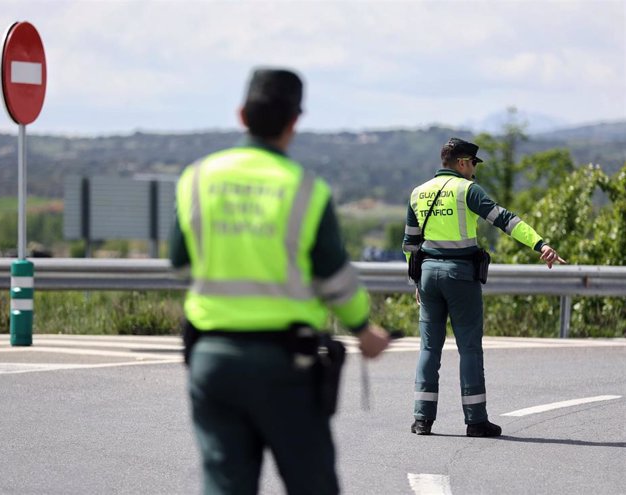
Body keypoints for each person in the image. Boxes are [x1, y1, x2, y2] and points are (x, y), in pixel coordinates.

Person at [170, 67, 390, 495]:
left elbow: (180, 264)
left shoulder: (197, 178)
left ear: (241, 115)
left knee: (224, 484)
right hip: (286, 365)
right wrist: (364, 329)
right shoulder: (306, 189)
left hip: (212, 359)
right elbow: (334, 278)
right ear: (294, 121)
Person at [402, 137, 566, 437]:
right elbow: (504, 219)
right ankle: (475, 421)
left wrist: (416, 282)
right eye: (473, 164)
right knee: (469, 349)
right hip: (460, 276)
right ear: (463, 162)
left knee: (428, 348)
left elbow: (410, 245)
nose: (474, 171)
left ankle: (422, 420)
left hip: (427, 276)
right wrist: (540, 244)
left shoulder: (418, 193)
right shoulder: (467, 190)